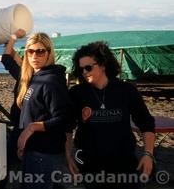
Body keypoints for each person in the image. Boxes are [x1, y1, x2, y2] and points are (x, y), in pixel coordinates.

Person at [65, 41, 155, 189]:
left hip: (124, 167)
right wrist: (69, 157)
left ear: (103, 65)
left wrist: (148, 154)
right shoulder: (77, 93)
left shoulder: (126, 90)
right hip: (90, 167)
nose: (84, 72)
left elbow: (146, 123)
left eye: (88, 67)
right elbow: (67, 127)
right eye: (81, 69)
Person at [15, 32, 70, 189]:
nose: (34, 56)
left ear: (49, 53)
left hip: (45, 153)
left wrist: (32, 128)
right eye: (30, 51)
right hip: (33, 150)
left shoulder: (51, 81)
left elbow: (64, 119)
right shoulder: (34, 78)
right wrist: (23, 143)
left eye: (40, 51)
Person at [0, 28, 26, 189]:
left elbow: (6, 58)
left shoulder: (24, 76)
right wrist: (9, 42)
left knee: (9, 164)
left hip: (23, 127)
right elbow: (14, 57)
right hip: (23, 126)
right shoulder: (31, 73)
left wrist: (14, 37)